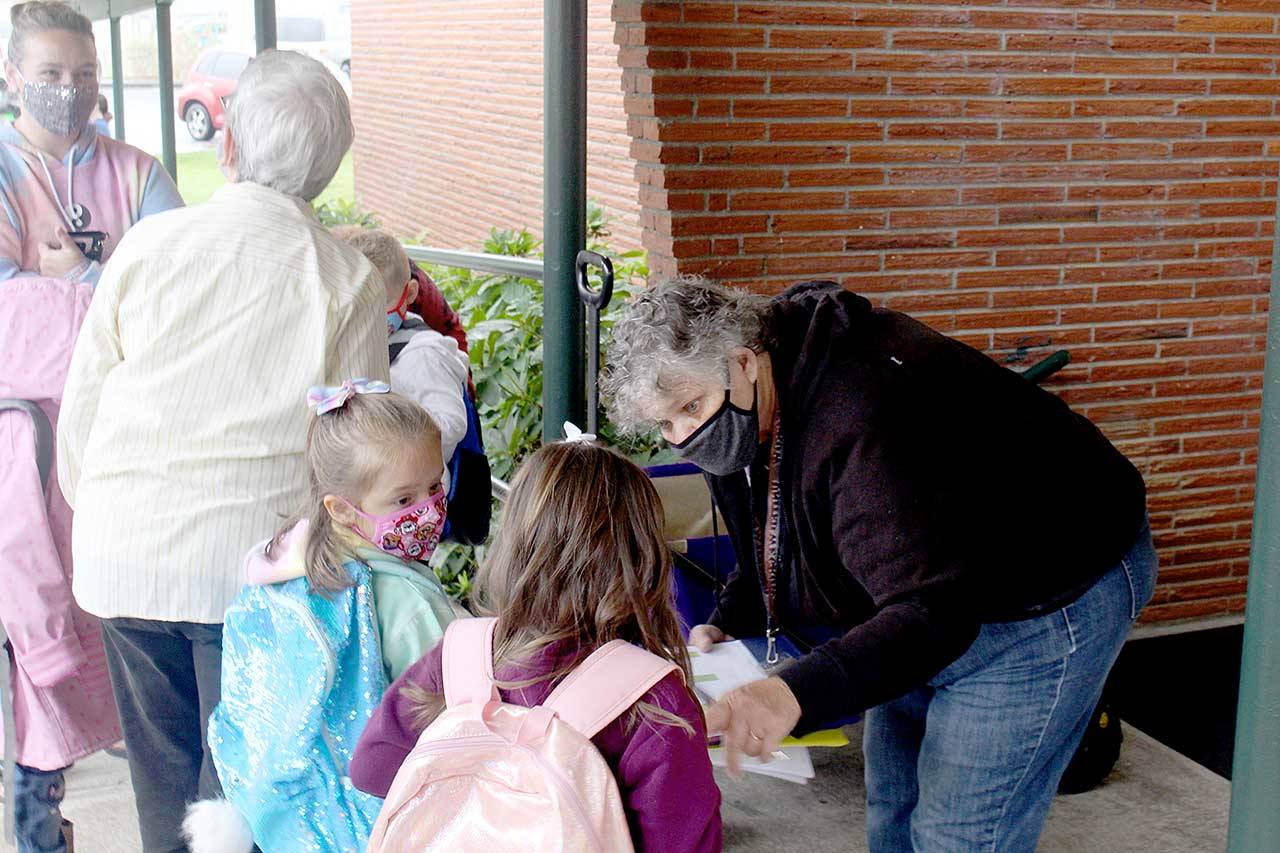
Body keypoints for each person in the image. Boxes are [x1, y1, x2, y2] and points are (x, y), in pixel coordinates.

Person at [602, 277, 1156, 852]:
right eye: (666, 424)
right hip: (921, 587)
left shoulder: (863, 411)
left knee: (959, 835)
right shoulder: (746, 397)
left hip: (1046, 594)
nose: (685, 435)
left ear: (743, 360)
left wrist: (791, 694)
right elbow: (774, 519)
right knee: (894, 804)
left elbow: (935, 613)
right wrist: (737, 610)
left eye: (692, 408)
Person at [55, 49, 387, 853]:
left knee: (164, 791)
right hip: (254, 568)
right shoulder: (345, 278)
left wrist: (102, 507)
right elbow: (362, 450)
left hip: (126, 548)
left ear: (228, 144)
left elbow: (85, 412)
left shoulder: (146, 246)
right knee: (246, 792)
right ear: (330, 166)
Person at [349, 439, 723, 852]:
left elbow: (371, 766)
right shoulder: (655, 703)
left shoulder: (461, 656)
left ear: (514, 546)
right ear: (644, 559)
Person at [185, 384, 458, 853]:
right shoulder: (405, 602)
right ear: (338, 507)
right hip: (397, 823)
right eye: (402, 499)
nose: (426, 508)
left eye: (434, 486)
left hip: (306, 830)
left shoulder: (283, 574)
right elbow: (457, 714)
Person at [0, 1, 181, 290]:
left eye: (85, 73)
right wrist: (114, 280)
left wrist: (83, 277)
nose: (70, 87)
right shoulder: (6, 171)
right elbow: (6, 300)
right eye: (51, 73)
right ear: (13, 76)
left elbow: (178, 277)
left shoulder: (140, 173)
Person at [331, 225, 470, 466]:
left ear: (410, 293)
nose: (370, 315)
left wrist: (389, 430)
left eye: (380, 302)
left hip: (414, 485)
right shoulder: (363, 343)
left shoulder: (424, 355)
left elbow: (452, 424)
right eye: (359, 303)